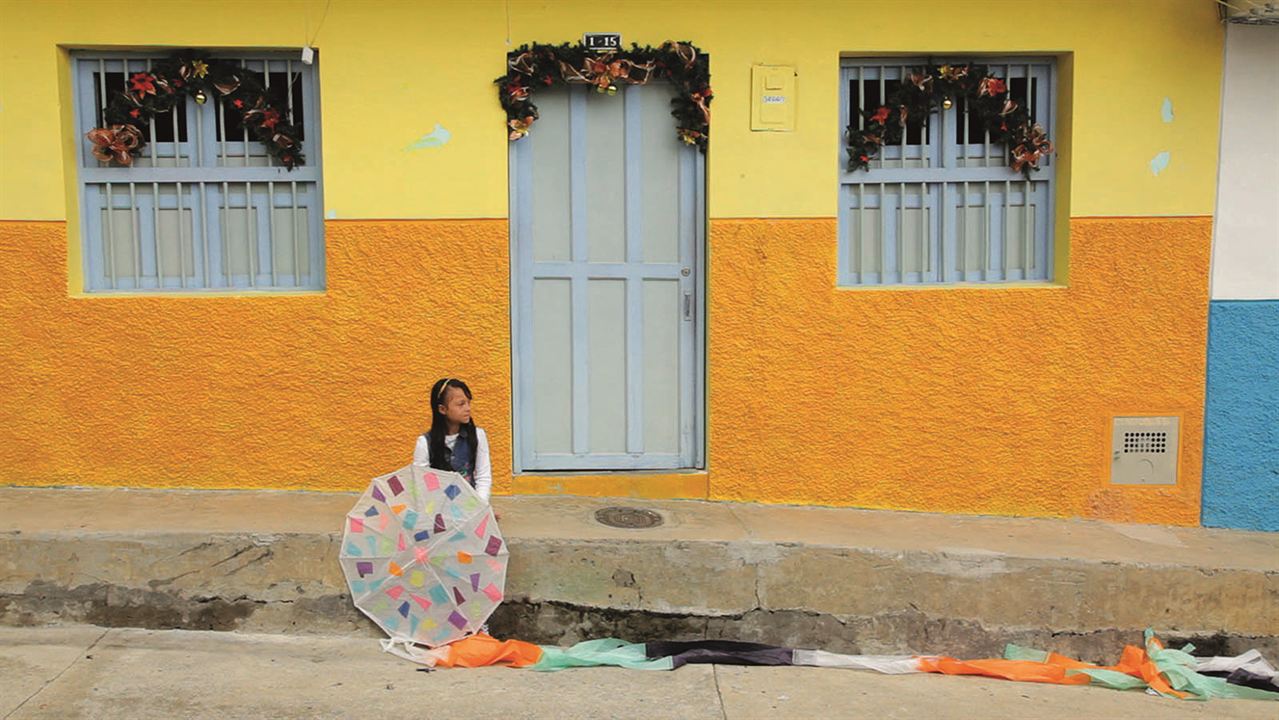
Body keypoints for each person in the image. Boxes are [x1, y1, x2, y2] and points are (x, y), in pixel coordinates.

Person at [413, 378, 493, 503]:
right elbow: (421, 483)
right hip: (437, 508)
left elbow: (483, 477)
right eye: (461, 404)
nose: (468, 408)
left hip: (470, 506)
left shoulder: (477, 435)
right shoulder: (424, 443)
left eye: (468, 403)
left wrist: (481, 507)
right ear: (442, 409)